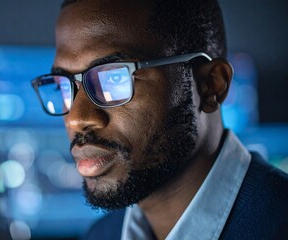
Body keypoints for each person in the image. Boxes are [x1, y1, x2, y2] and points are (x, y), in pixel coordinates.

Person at [31, 0, 288, 239]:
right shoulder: (101, 235)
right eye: (62, 86)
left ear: (211, 86)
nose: (76, 119)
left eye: (114, 78)